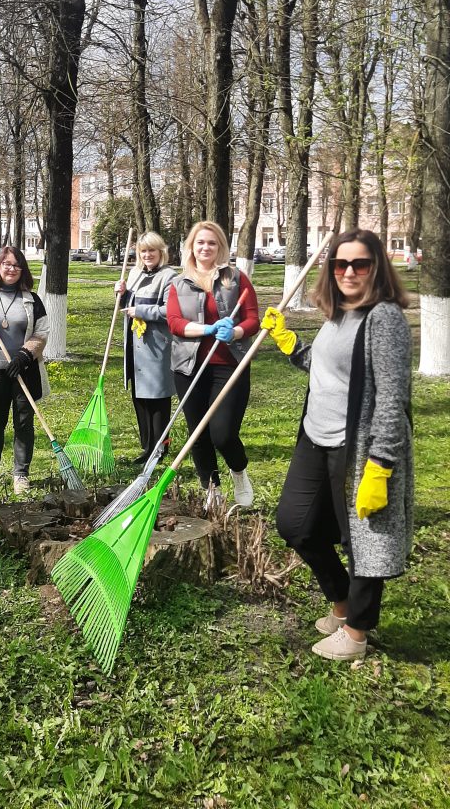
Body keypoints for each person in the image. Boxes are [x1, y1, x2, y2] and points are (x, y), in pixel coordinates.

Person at [262, 229, 413, 661]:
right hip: (316, 435)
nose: (348, 271)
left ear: (377, 268)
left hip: (359, 447)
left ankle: (357, 633)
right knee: (296, 524)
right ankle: (342, 600)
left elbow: (391, 399)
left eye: (359, 264)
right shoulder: (340, 311)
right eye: (340, 264)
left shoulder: (384, 319)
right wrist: (290, 343)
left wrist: (380, 466)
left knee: (364, 539)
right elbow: (325, 366)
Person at [166, 221, 260, 508]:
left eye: (212, 243)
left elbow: (253, 318)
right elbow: (174, 323)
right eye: (200, 243)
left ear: (220, 247)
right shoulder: (178, 283)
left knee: (223, 433)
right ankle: (212, 489)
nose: (205, 248)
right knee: (198, 433)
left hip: (229, 364)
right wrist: (206, 329)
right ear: (191, 247)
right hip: (189, 366)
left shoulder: (236, 279)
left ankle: (239, 470)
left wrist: (235, 332)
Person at [0, 246, 49, 496]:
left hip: (23, 370)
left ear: (22, 269)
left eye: (16, 265)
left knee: (23, 422)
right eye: (7, 264)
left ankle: (21, 474)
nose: (11, 269)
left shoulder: (32, 299)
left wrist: (25, 354)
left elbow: (42, 332)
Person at [114, 231, 176, 464]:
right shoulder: (134, 274)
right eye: (143, 251)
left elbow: (170, 312)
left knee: (157, 398)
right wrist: (122, 295)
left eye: (152, 250)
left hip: (155, 347)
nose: (148, 255)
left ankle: (160, 448)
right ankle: (147, 447)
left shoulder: (169, 277)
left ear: (161, 252)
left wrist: (140, 311)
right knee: (139, 396)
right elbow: (126, 305)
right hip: (134, 345)